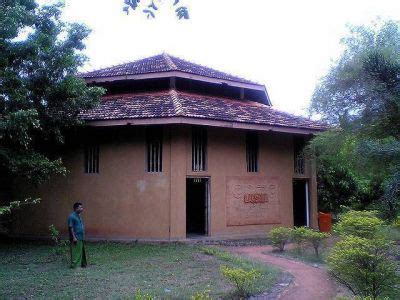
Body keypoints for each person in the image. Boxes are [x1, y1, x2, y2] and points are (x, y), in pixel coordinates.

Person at [67, 202, 87, 268]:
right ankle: (74, 266)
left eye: (82, 207)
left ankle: (82, 264)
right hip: (75, 238)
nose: (82, 209)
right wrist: (74, 237)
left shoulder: (78, 216)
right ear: (76, 208)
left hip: (80, 237)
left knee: (81, 251)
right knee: (76, 252)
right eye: (80, 207)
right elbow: (71, 227)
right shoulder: (72, 216)